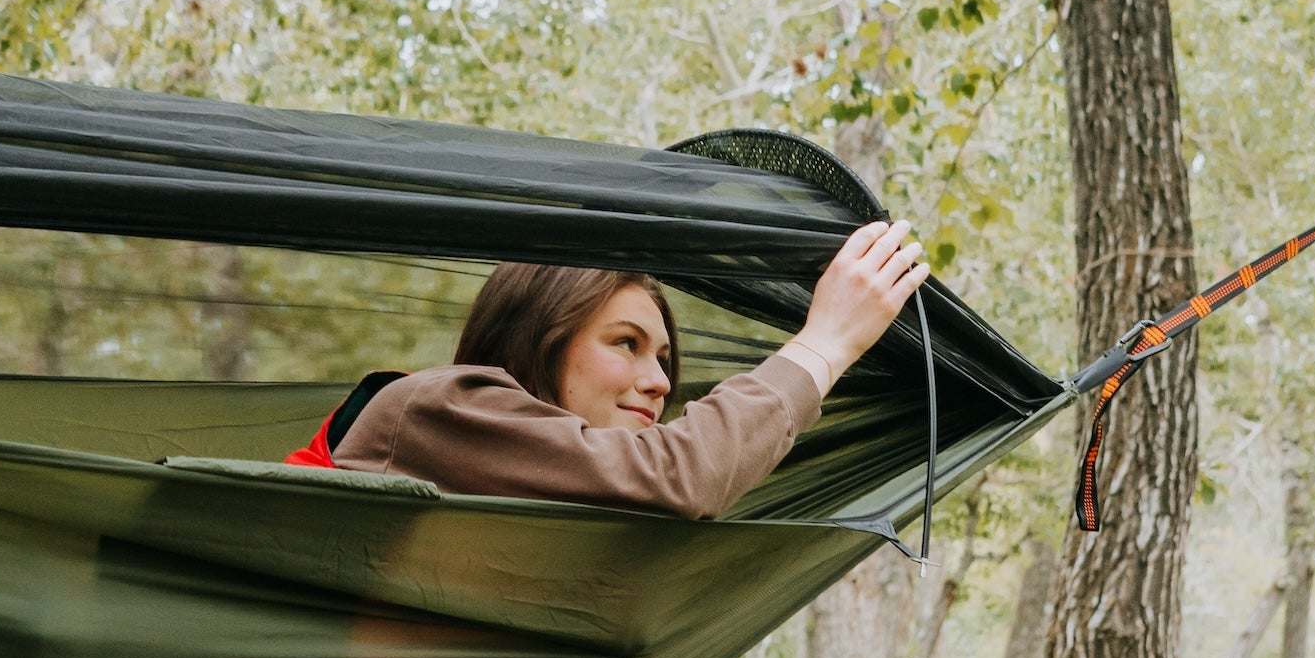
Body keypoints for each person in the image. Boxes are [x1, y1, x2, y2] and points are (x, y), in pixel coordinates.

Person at [301, 219, 927, 519]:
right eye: (625, 343)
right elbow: (677, 477)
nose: (660, 382)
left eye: (662, 357)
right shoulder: (440, 408)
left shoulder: (555, 490)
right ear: (538, 338)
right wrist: (825, 343)